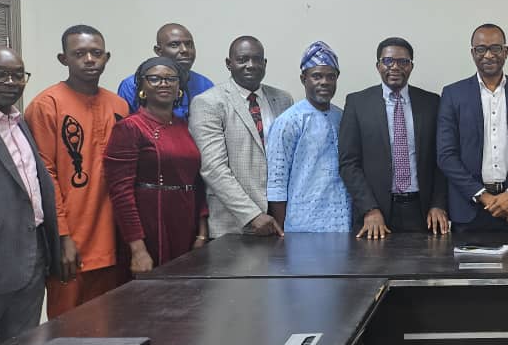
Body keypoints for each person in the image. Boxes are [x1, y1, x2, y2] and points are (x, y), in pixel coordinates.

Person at [24, 25, 129, 317]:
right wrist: (62, 237)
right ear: (63, 58)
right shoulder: (46, 106)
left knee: (111, 331)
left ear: (107, 57)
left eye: (96, 53)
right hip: (71, 246)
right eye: (79, 54)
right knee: (68, 336)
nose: (89, 60)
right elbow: (45, 176)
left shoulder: (119, 105)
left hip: (113, 242)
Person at [105, 57, 208, 271]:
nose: (164, 84)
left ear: (180, 87)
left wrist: (202, 232)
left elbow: (197, 181)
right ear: (141, 86)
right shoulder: (130, 128)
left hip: (186, 223)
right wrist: (138, 250)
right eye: (155, 79)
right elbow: (120, 193)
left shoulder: (184, 126)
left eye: (171, 79)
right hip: (150, 226)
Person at [437, 23, 508, 234]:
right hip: (468, 207)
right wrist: (483, 196)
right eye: (481, 49)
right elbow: (446, 155)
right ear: (472, 53)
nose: (488, 55)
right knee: (469, 268)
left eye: (495, 48)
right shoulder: (453, 94)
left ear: (505, 52)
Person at [339, 37, 449, 238]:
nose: (395, 67)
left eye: (403, 62)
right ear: (378, 65)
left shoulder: (431, 103)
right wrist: (369, 209)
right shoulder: (357, 103)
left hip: (423, 212)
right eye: (388, 61)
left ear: (411, 66)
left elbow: (441, 161)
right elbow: (348, 163)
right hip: (375, 214)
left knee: (426, 268)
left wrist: (438, 204)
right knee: (375, 268)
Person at [189, 36, 293, 239]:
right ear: (229, 64)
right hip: (234, 224)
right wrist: (252, 215)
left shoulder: (283, 99)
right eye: (243, 59)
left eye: (257, 59)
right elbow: (213, 168)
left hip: (281, 220)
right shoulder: (208, 103)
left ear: (265, 63)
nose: (251, 65)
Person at [0, 47, 61, 342]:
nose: (11, 81)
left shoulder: (19, 122)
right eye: (0, 74)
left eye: (18, 75)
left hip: (32, 253)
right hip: (1, 252)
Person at [266, 41, 351, 232]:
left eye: (331, 76)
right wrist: (282, 229)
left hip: (344, 223)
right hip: (302, 225)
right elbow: (277, 181)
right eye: (317, 76)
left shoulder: (343, 116)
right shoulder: (289, 121)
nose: (324, 82)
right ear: (303, 79)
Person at [117, 23, 214, 119]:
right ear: (158, 51)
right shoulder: (132, 85)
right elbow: (125, 129)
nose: (185, 50)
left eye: (189, 44)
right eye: (174, 45)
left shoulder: (205, 85)